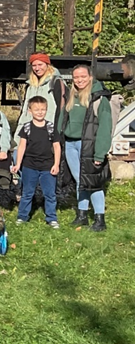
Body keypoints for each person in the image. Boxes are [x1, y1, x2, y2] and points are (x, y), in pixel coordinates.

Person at [59, 64, 113, 231]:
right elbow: (62, 119)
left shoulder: (98, 98)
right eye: (76, 77)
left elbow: (105, 126)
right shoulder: (71, 95)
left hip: (88, 145)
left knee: (93, 182)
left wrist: (100, 154)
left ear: (90, 77)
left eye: (83, 76)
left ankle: (99, 219)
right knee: (79, 181)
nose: (79, 80)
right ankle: (82, 215)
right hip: (70, 144)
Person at [13, 96, 61, 228]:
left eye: (43, 109)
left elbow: (57, 147)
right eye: (36, 110)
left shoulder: (51, 127)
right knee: (27, 193)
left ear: (46, 110)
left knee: (50, 194)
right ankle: (22, 217)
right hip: (30, 166)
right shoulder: (27, 128)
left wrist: (56, 164)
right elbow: (21, 146)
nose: (40, 112)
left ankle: (52, 218)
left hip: (47, 166)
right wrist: (18, 164)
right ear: (30, 111)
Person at [18, 52, 66, 127]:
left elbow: (62, 109)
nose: (37, 68)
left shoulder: (55, 82)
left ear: (47, 65)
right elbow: (25, 111)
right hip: (30, 129)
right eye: (34, 65)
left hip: (49, 129)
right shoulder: (30, 85)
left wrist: (57, 132)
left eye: (40, 65)